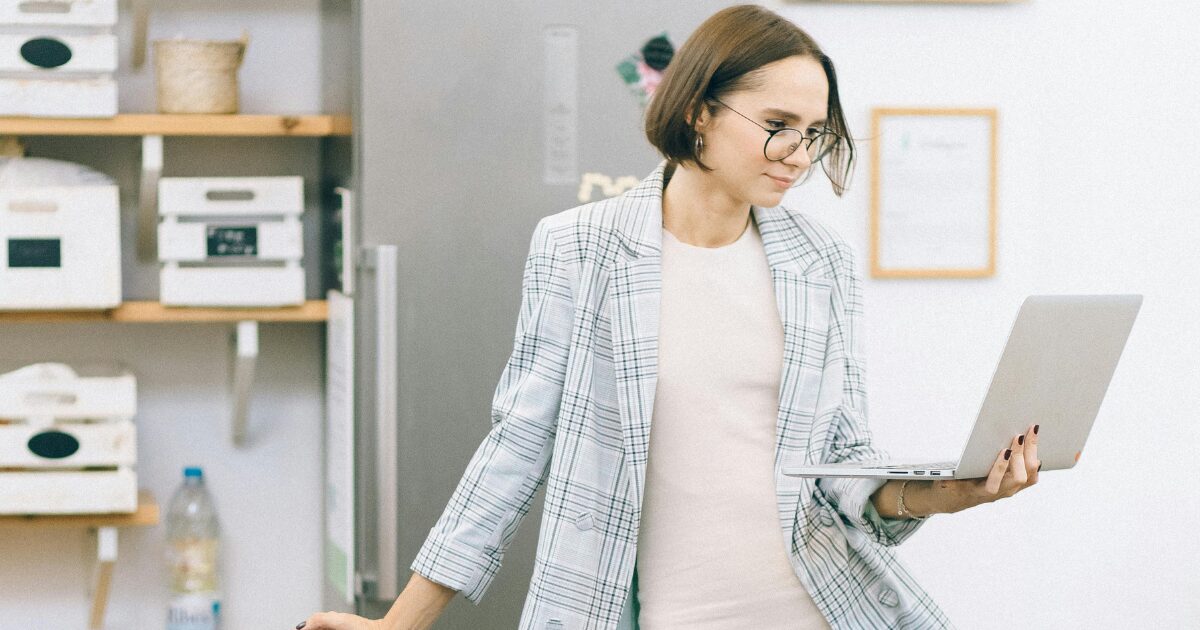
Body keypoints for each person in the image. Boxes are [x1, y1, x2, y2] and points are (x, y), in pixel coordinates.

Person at [299, 5, 1041, 630]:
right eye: (778, 123)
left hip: (822, 608)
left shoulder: (823, 263)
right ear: (697, 110)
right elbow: (517, 448)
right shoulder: (580, 248)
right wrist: (400, 623)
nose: (798, 154)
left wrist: (949, 494)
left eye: (813, 132)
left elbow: (840, 465)